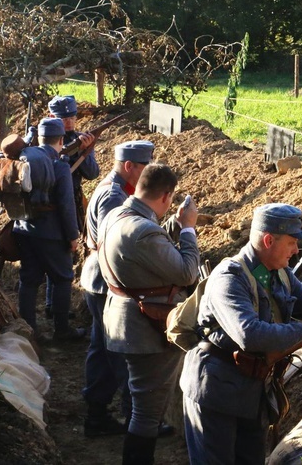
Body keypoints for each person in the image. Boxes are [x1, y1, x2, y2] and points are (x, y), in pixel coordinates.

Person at [179, 203, 302, 464]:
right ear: (269, 240)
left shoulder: (279, 273)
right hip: (215, 390)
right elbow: (249, 334)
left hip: (251, 390)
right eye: (292, 242)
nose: (297, 250)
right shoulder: (230, 277)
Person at [98, 163, 199, 465]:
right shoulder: (142, 231)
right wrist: (190, 229)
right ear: (167, 197)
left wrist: (176, 226)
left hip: (123, 323)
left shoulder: (117, 214)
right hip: (146, 331)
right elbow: (186, 271)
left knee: (140, 402)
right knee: (146, 413)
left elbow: (145, 246)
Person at [79, 140, 154, 437]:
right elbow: (117, 244)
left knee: (102, 349)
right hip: (106, 282)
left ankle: (96, 416)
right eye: (144, 166)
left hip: (101, 280)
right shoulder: (113, 196)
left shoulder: (116, 188)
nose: (147, 172)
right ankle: (132, 415)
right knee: (119, 352)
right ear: (129, 167)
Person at [13, 118, 85, 341]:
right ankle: (62, 330)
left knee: (29, 279)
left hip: (23, 229)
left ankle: (28, 330)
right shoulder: (59, 166)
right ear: (61, 139)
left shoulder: (24, 157)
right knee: (63, 279)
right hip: (51, 235)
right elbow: (66, 205)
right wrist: (73, 236)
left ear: (40, 138)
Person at [45, 95, 100, 319]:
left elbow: (92, 173)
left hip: (71, 201)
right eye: (63, 118)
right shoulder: (43, 139)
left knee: (63, 254)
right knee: (54, 259)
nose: (69, 122)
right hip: (49, 204)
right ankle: (55, 309)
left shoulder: (80, 140)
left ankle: (54, 306)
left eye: (72, 117)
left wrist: (84, 150)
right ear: (51, 117)